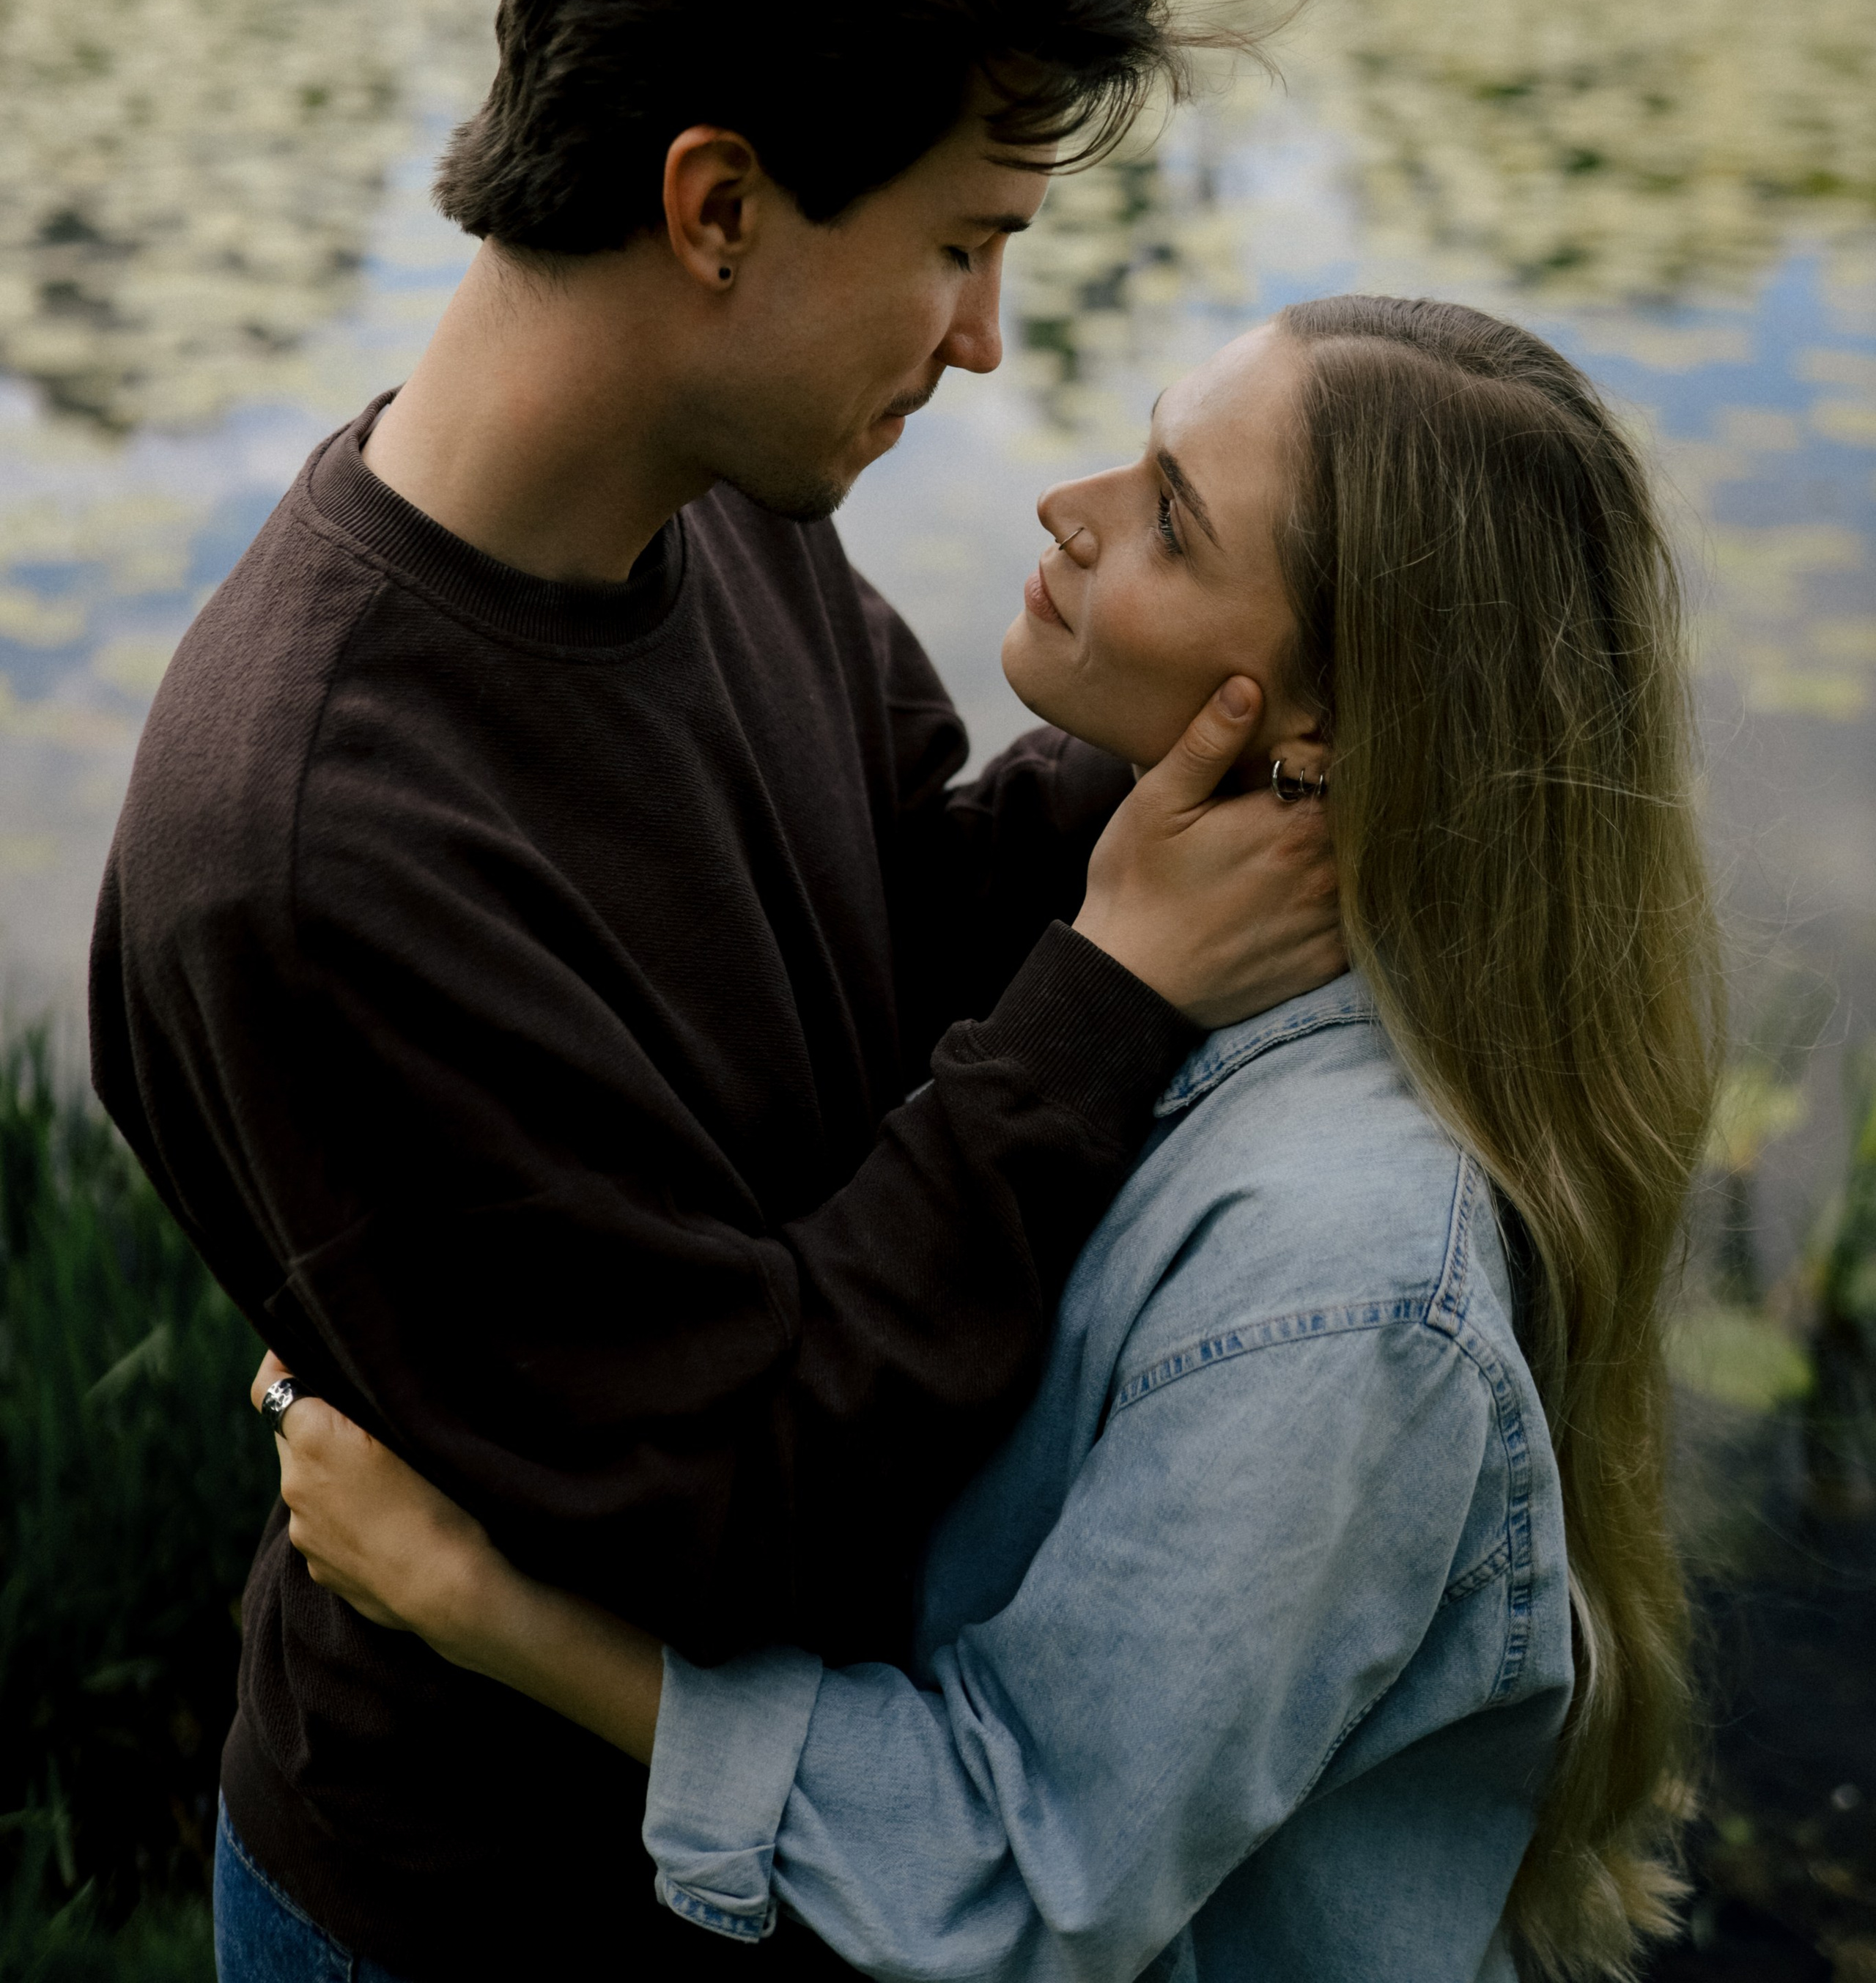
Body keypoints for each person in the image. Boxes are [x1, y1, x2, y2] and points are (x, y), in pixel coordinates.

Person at [89, 0, 1342, 1982]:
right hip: (480, 1912)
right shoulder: (311, 852)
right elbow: (744, 1488)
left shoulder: (712, 519)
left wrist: (1227, 732)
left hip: (739, 1857)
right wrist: (1123, 988)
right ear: (718, 206)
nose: (983, 343)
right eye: (961, 246)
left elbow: (898, 943)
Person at [258, 295, 1723, 1983]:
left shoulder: (1347, 1283)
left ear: (1313, 730)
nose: (1067, 506)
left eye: (1167, 517)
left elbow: (1017, 1871)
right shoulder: (1156, 942)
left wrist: (481, 1607)